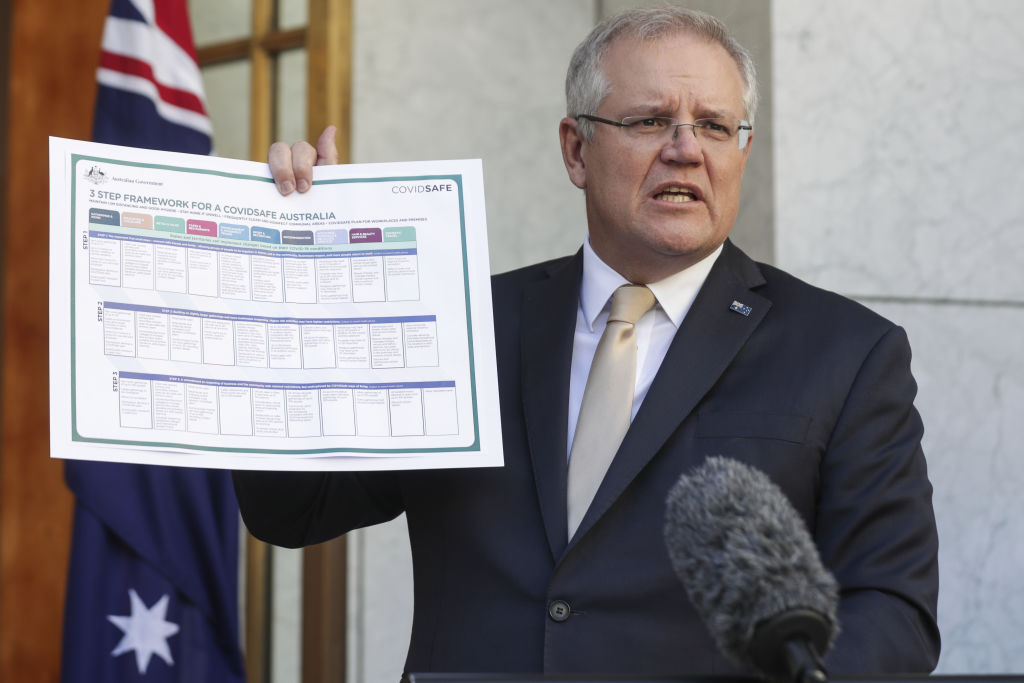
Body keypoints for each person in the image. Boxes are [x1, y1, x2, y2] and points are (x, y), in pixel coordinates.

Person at [234, 7, 940, 676]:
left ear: (742, 151)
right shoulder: (463, 320)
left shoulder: (845, 352)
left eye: (716, 126)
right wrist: (310, 283)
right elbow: (295, 507)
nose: (686, 149)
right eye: (650, 120)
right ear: (577, 149)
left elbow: (894, 609)